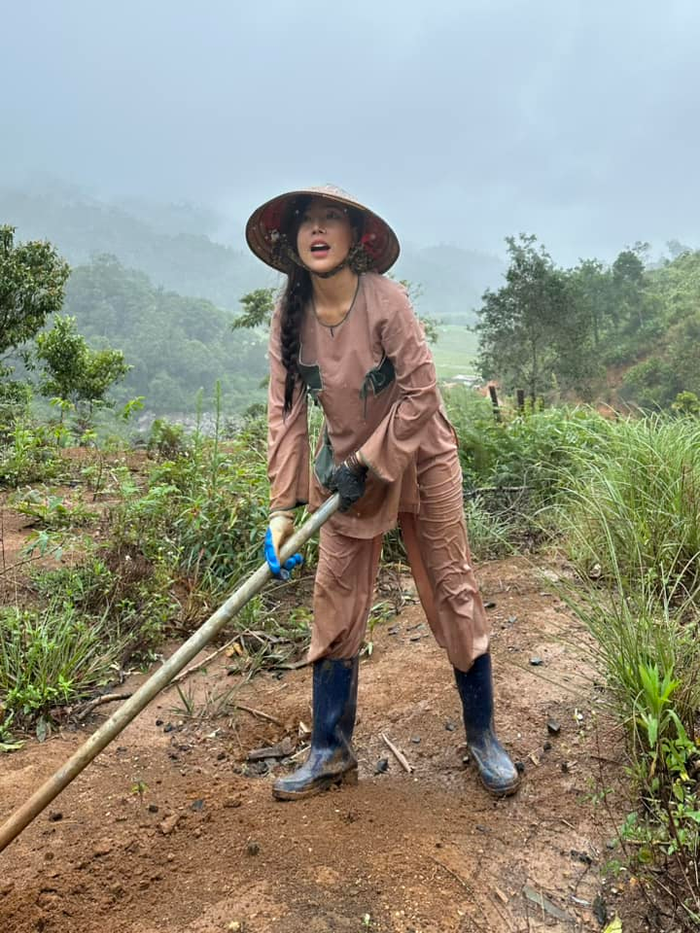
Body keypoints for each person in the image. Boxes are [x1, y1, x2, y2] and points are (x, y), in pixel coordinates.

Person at [245, 185, 520, 801]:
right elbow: (284, 416)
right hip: (341, 471)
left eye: (331, 220)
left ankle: (483, 737)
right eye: (307, 222)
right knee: (335, 596)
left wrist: (370, 462)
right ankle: (330, 751)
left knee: (451, 586)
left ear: (354, 238)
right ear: (293, 243)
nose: (318, 229)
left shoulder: (386, 301)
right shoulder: (289, 318)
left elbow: (422, 395)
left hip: (420, 458)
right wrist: (282, 511)